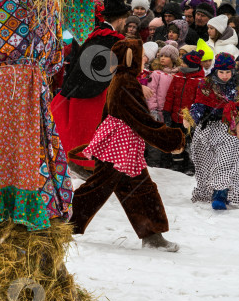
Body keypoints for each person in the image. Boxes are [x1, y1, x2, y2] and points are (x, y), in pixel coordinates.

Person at [71, 38, 186, 251]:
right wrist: (172, 139)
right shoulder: (126, 82)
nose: (144, 60)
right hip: (119, 147)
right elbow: (141, 120)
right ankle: (64, 222)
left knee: (139, 188)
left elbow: (110, 114)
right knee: (98, 188)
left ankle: (152, 235)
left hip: (124, 146)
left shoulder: (122, 80)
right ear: (131, 58)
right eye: (140, 55)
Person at [53, 0, 129, 178]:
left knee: (82, 130)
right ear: (120, 19)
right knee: (90, 129)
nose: (126, 24)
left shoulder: (95, 35)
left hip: (80, 88)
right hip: (94, 93)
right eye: (125, 20)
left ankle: (84, 163)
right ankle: (85, 165)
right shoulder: (111, 40)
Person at [188, 52, 239, 210]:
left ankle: (221, 193)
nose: (225, 75)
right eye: (221, 72)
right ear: (216, 70)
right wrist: (192, 117)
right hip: (209, 127)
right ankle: (208, 190)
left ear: (233, 71)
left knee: (225, 161)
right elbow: (199, 104)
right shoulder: (206, 84)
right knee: (204, 161)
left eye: (228, 72)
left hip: (231, 128)